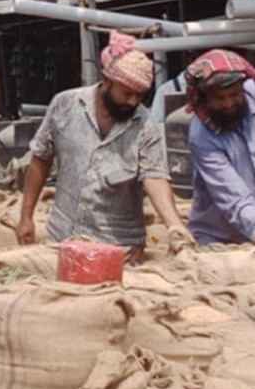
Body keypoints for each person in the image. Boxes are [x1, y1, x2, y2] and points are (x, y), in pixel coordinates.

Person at [17, 32, 192, 260]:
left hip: (120, 248)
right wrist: (26, 216)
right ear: (107, 80)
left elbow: (155, 177)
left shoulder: (146, 125)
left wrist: (175, 226)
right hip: (63, 238)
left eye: (140, 95)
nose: (133, 101)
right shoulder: (65, 105)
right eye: (127, 93)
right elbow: (41, 158)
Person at [183, 51, 255, 260]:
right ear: (204, 99)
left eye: (235, 95)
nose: (229, 104)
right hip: (219, 240)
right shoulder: (200, 134)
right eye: (220, 99)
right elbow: (233, 196)